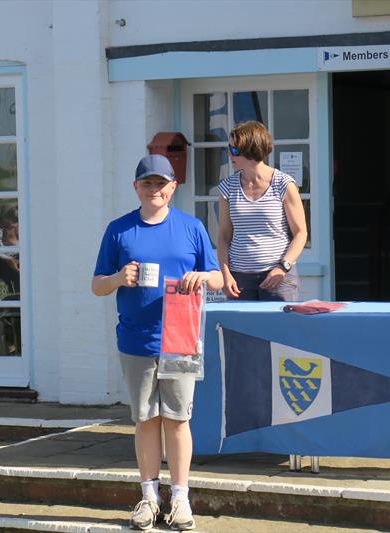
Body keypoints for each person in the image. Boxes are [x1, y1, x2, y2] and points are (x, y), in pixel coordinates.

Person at [91, 154, 223, 531]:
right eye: (147, 183)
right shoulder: (119, 230)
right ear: (136, 188)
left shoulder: (191, 227)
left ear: (173, 187)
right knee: (146, 420)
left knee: (179, 420)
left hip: (181, 336)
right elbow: (97, 285)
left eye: (161, 183)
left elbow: (216, 278)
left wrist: (201, 277)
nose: (155, 190)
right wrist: (118, 277)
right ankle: (149, 497)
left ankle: (180, 499)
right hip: (136, 339)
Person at [217, 121, 308, 301]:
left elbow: (301, 233)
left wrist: (283, 267)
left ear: (251, 150)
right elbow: (224, 237)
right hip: (239, 278)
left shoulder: (284, 184)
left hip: (278, 277)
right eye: (229, 148)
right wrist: (225, 274)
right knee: (239, 329)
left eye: (234, 150)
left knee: (279, 329)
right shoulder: (227, 187)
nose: (229, 154)